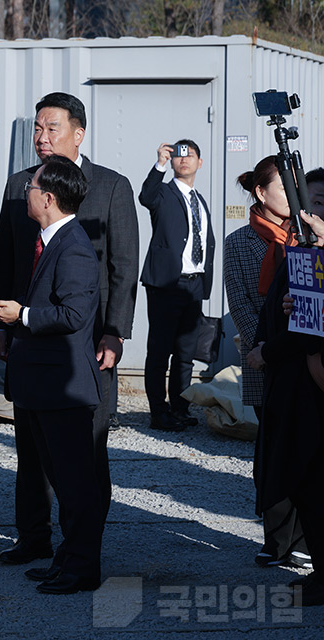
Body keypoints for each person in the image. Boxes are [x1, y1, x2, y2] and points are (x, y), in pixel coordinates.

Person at [0, 92, 138, 566]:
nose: (42, 137)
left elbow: (122, 266)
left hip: (85, 344)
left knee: (83, 450)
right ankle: (34, 537)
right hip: (28, 341)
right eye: (37, 128)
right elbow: (7, 260)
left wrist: (114, 331)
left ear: (79, 133)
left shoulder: (110, 186)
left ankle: (83, 544)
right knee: (31, 447)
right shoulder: (19, 185)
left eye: (52, 128)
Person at [0, 155, 103, 595]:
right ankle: (67, 559)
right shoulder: (50, 239)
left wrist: (24, 314)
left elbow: (74, 313)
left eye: (32, 188)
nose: (27, 194)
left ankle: (82, 568)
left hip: (64, 389)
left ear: (50, 198)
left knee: (75, 485)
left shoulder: (73, 245)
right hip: (42, 386)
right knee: (60, 479)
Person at [225, 156, 309, 570]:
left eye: (299, 187)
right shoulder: (240, 241)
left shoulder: (308, 237)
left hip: (302, 356)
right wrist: (263, 347)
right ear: (261, 192)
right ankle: (276, 540)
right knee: (270, 450)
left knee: (304, 449)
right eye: (285, 187)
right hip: (262, 359)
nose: (295, 197)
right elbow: (239, 300)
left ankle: (305, 539)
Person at [246, 213, 324, 606]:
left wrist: (268, 352)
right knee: (305, 482)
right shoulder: (306, 255)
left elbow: (308, 329)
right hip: (298, 382)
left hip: (312, 380)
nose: (313, 216)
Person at [138, 140, 215, 432]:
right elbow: (145, 196)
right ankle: (159, 412)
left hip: (194, 285)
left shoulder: (199, 199)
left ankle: (180, 409)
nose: (183, 160)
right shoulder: (163, 194)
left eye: (190, 155)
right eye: (178, 156)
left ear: (200, 162)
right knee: (160, 352)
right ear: (172, 162)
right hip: (166, 284)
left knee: (185, 353)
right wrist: (158, 164)